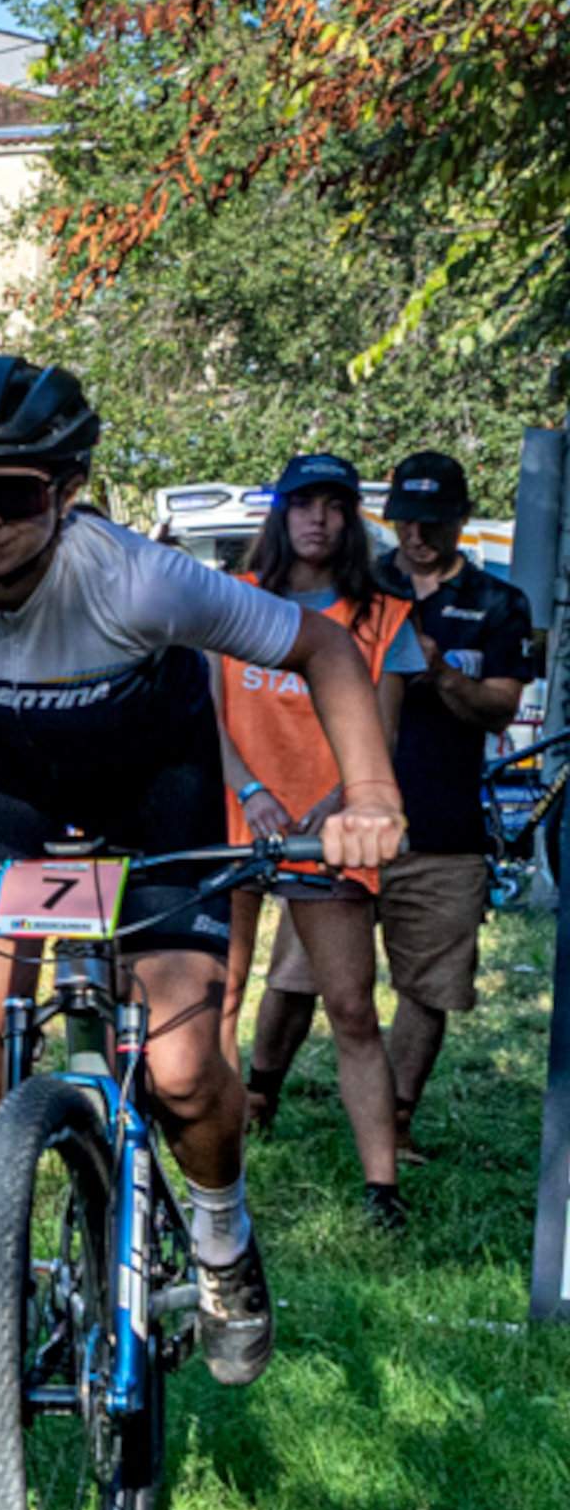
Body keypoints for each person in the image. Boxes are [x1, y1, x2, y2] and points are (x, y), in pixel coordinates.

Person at [0, 356, 405, 1388]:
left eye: (14, 494)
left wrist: (372, 794)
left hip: (152, 786)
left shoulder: (136, 577)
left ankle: (219, 1237)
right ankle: (1, 1280)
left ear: (67, 491)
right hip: (6, 787)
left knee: (178, 1069)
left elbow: (328, 654)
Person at [295, 449, 536, 1158]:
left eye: (431, 522)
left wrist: (434, 672)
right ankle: (258, 1099)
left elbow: (501, 707)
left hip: (442, 817)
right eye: (404, 520)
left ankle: (397, 1120)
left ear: (460, 518)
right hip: (342, 818)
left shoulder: (497, 602)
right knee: (297, 973)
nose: (416, 537)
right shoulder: (362, 585)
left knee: (428, 981)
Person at [210, 455, 419, 1227]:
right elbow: (209, 717)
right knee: (220, 1000)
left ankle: (381, 1191)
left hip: (332, 833)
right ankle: (220, 1176)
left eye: (335, 505)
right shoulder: (233, 601)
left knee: (353, 1010)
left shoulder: (381, 616)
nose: (319, 520)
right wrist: (254, 792)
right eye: (303, 503)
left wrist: (325, 814)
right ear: (280, 513)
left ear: (352, 518)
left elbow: (382, 739)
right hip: (235, 823)